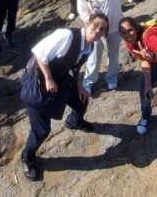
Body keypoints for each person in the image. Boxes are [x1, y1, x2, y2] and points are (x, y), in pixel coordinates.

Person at [19, 14, 109, 181]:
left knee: (82, 99)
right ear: (87, 22)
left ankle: (74, 121)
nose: (98, 31)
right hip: (38, 78)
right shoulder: (67, 35)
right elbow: (39, 53)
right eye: (96, 25)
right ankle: (27, 157)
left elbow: (75, 67)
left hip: (59, 76)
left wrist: (79, 84)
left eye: (102, 29)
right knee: (42, 130)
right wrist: (48, 78)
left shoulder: (89, 46)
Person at [76, 0, 131, 91]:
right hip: (96, 31)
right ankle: (89, 81)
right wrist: (87, 19)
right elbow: (82, 10)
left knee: (113, 55)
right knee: (94, 57)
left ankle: (111, 78)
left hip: (114, 27)